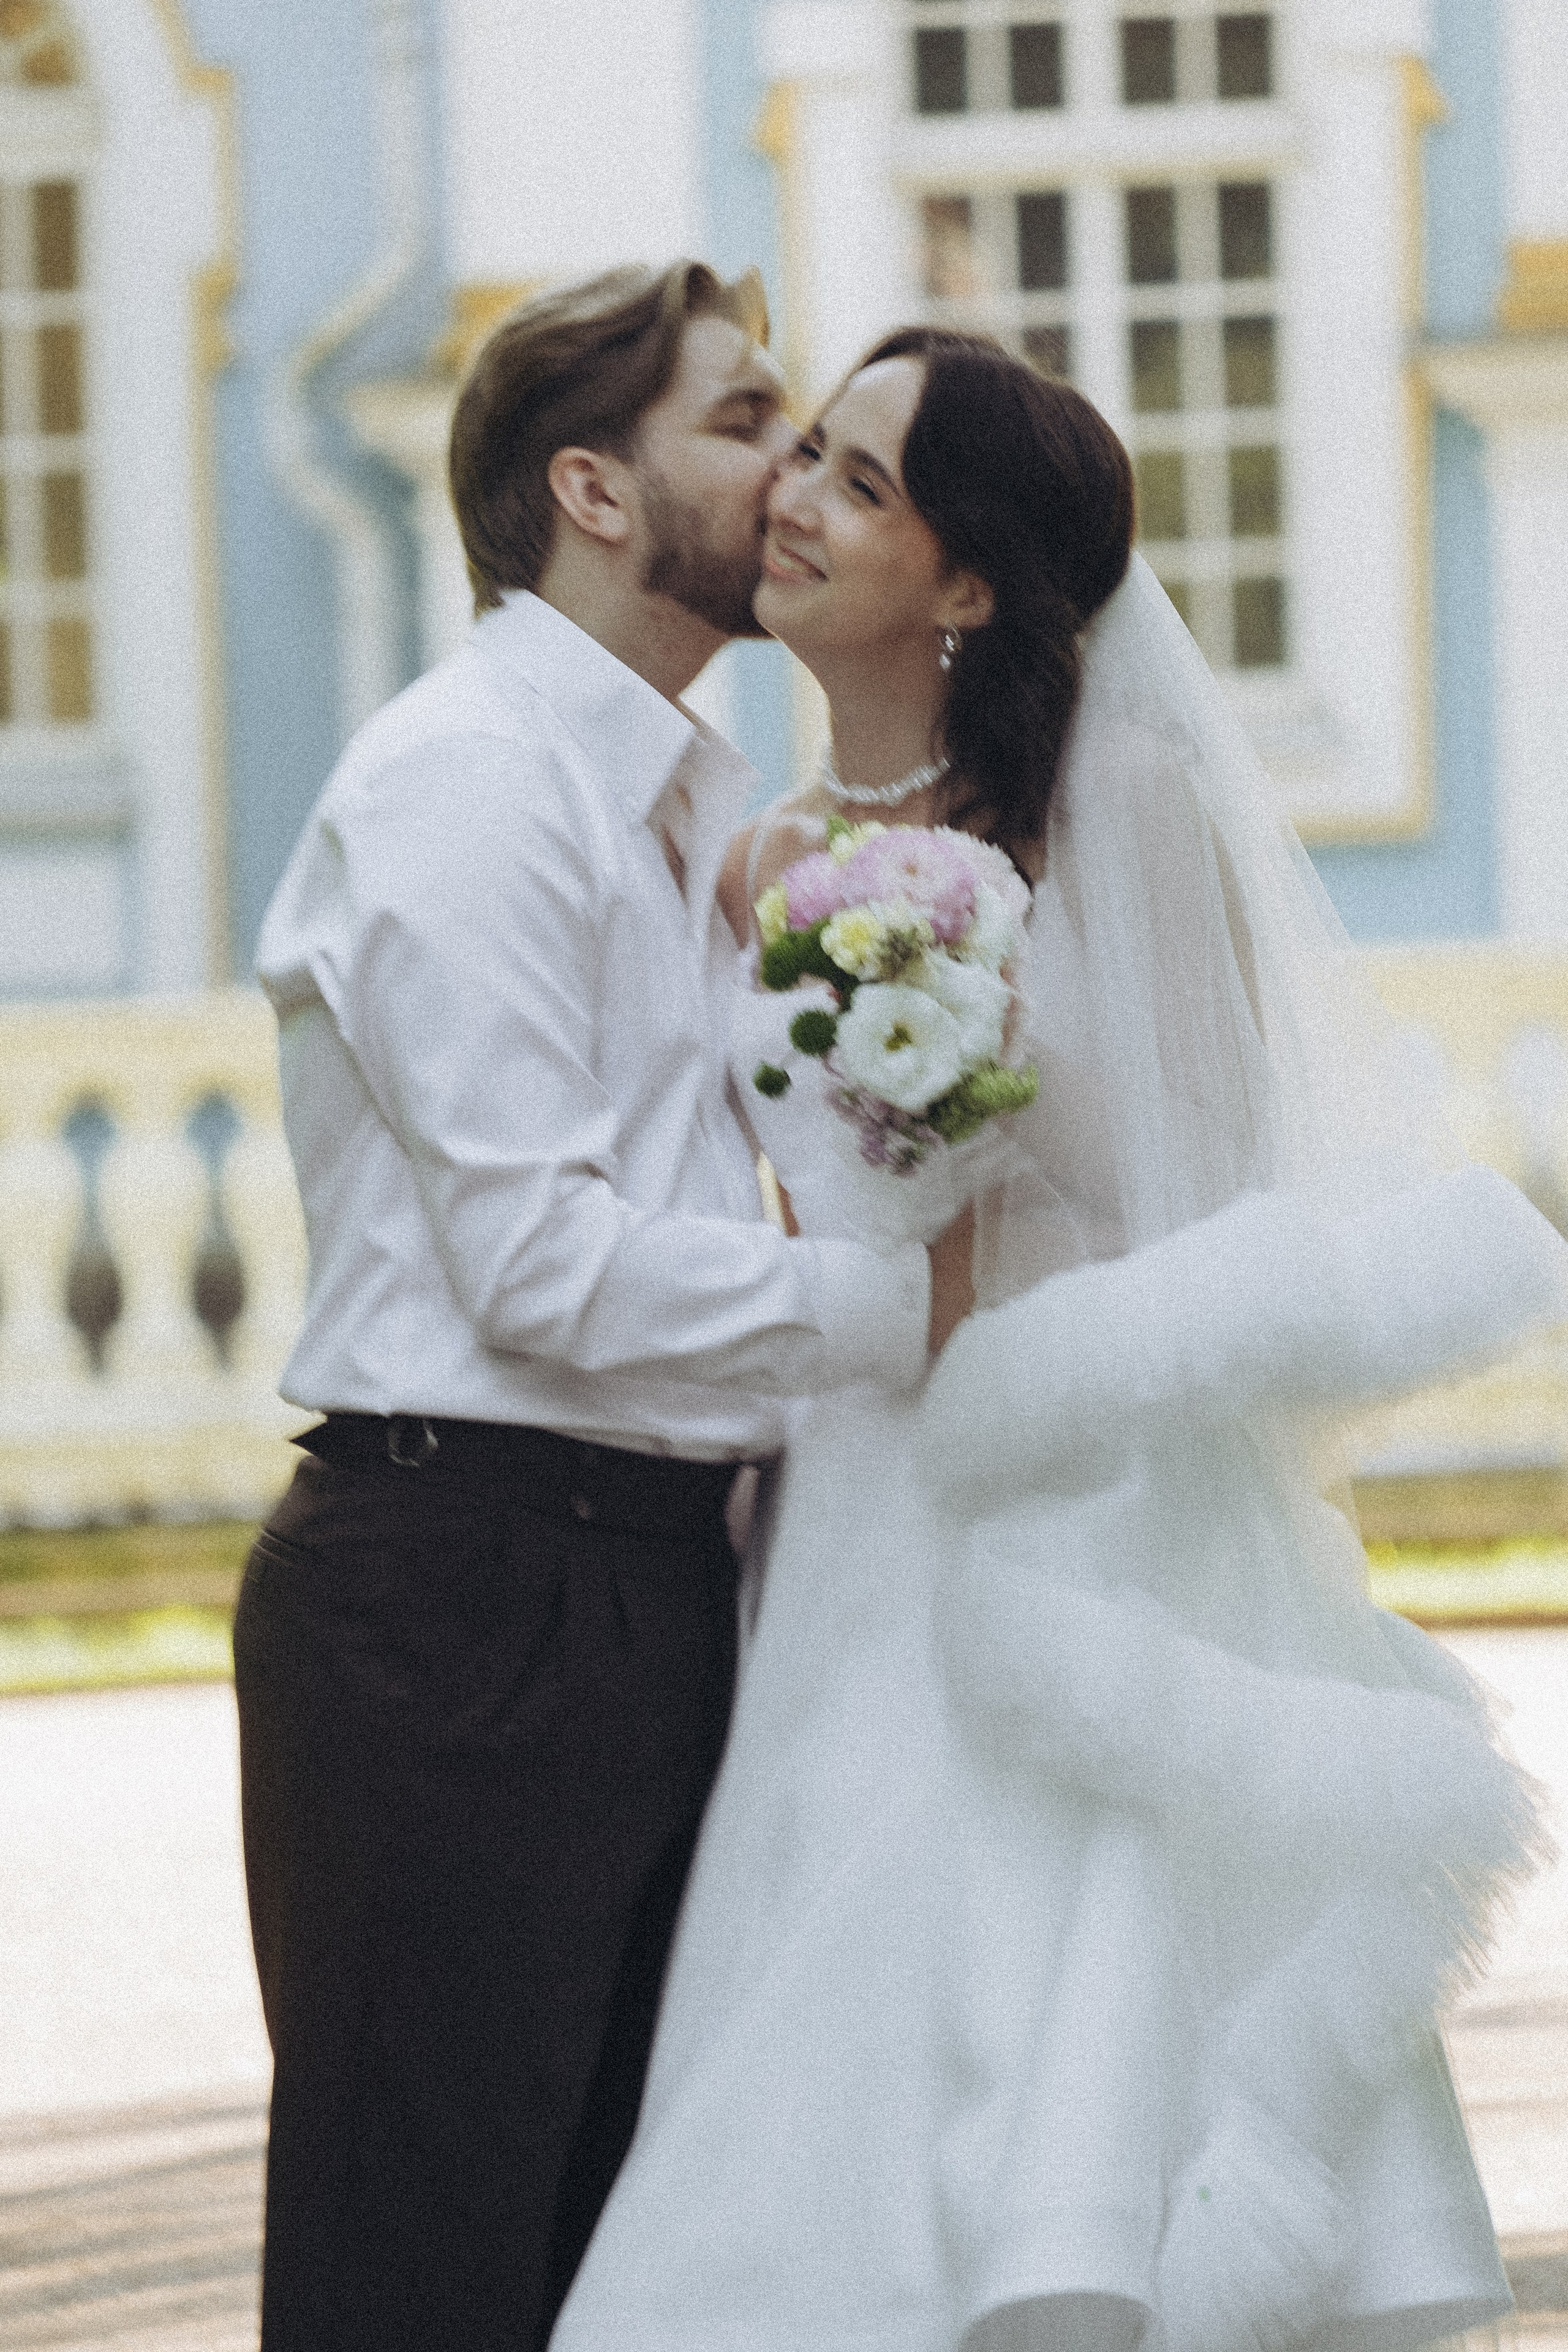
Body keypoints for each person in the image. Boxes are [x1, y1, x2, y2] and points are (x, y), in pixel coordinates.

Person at [548, 331, 1563, 2352]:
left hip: (1084, 1498)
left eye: (860, 481)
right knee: (831, 1976)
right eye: (804, 455)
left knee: (1075, 1972)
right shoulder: (752, 860)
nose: (800, 503)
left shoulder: (1132, 801)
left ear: (971, 580)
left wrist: (991, 1130)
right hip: (842, 1512)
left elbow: (1219, 1177)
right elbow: (757, 1217)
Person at [234, 264, 954, 2352]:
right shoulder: (467, 780)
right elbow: (536, 1271)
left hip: (640, 1586)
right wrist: (915, 1312)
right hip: (461, 1600)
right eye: (746, 422)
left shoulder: (704, 807)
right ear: (596, 489)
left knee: (611, 2286)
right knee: (425, 2280)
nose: (796, 470)